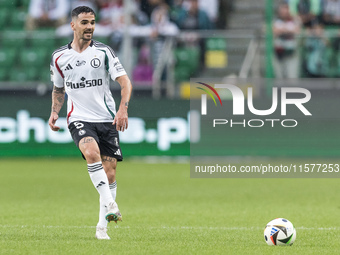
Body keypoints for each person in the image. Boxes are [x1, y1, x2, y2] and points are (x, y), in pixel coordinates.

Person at [48, 6, 133, 240]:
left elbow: (125, 83)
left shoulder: (104, 52)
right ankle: (111, 205)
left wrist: (123, 108)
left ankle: (101, 227)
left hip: (106, 119)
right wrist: (55, 112)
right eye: (85, 22)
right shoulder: (59, 57)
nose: (90, 27)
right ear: (73, 25)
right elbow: (58, 89)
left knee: (111, 173)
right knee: (91, 152)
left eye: (93, 23)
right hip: (78, 117)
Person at [273, 1, 301, 79]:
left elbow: (297, 30)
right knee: (279, 78)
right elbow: (273, 30)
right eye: (282, 9)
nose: (284, 11)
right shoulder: (275, 20)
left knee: (292, 77)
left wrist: (283, 29)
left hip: (291, 52)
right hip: (279, 52)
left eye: (286, 9)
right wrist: (286, 29)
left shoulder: (294, 19)